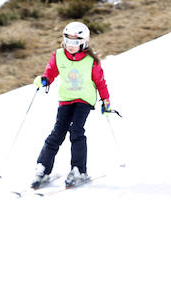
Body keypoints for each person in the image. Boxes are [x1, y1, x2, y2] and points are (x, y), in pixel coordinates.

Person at [30, 21, 111, 189]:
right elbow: (51, 72)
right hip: (66, 99)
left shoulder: (91, 60)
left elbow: (100, 82)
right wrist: (45, 79)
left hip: (84, 99)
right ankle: (43, 168)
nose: (70, 45)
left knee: (76, 130)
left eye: (75, 42)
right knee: (57, 132)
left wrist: (106, 101)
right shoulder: (59, 55)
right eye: (67, 40)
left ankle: (79, 170)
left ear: (84, 42)